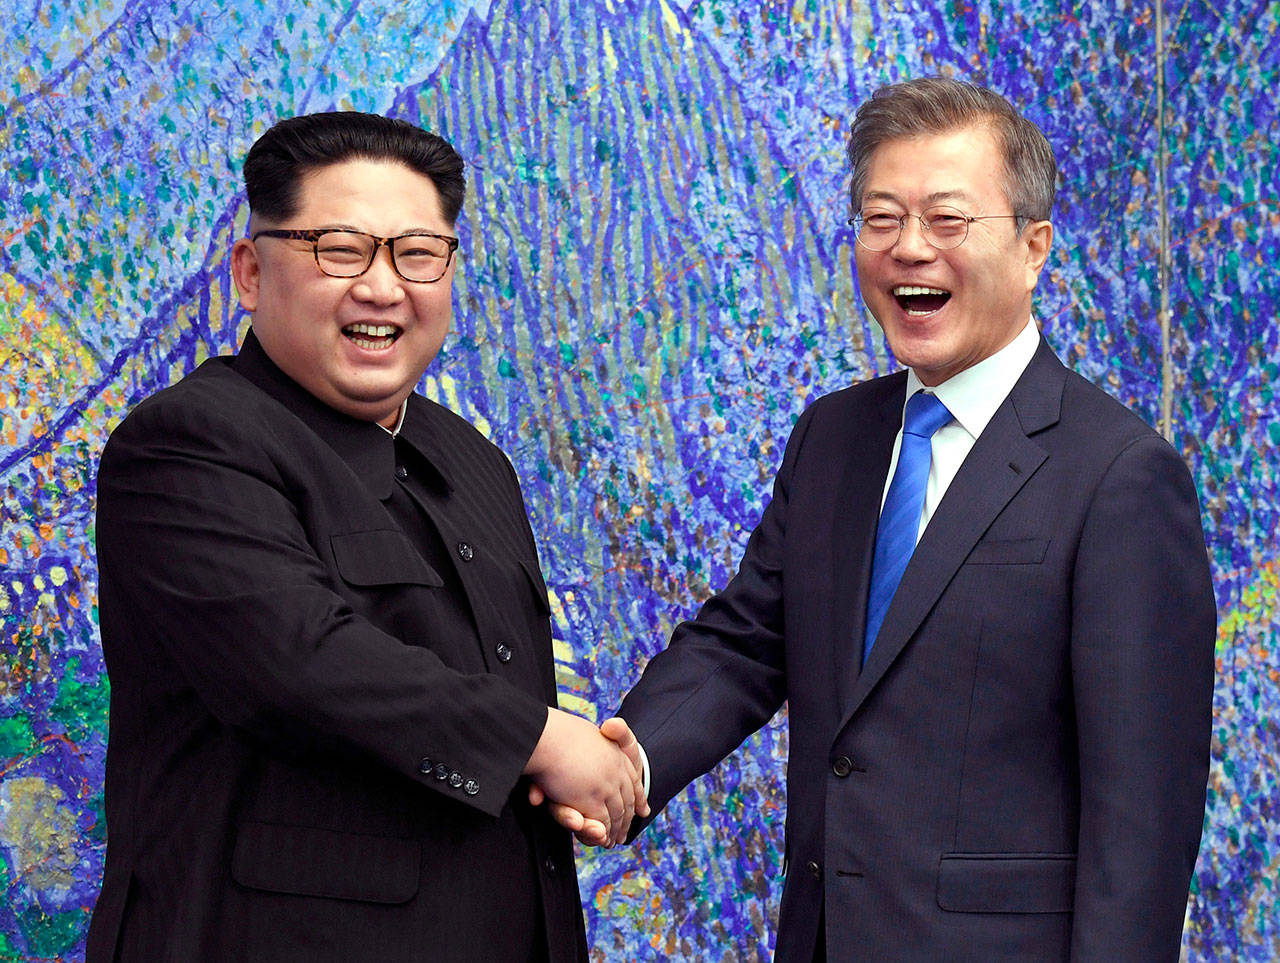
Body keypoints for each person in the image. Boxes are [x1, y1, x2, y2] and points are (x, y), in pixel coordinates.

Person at [569, 78, 1216, 960]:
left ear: (1035, 248)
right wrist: (626, 763)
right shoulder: (834, 435)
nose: (911, 249)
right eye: (882, 219)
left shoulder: (1121, 476)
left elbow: (1142, 819)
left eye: (948, 221)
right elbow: (745, 642)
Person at [86, 111, 645, 962]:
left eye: (417, 252)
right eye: (340, 248)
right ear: (249, 271)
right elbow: (297, 664)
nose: (383, 287)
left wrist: (581, 768)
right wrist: (542, 739)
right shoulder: (188, 443)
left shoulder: (473, 460)